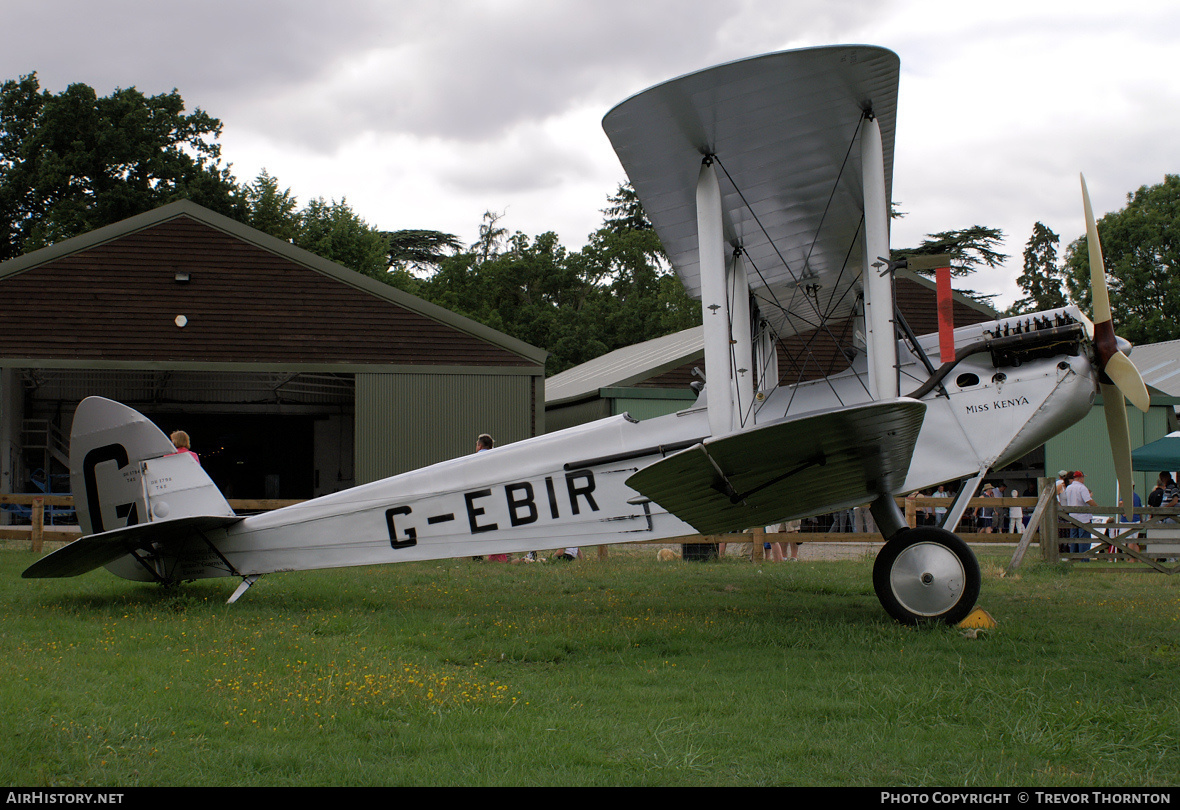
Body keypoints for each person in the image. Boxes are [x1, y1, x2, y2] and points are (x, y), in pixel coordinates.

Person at [1061, 470, 1098, 556]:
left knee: (1074, 538)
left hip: (1073, 517)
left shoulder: (1069, 488)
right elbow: (1088, 500)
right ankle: (1084, 557)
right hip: (1083, 517)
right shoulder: (1082, 488)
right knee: (1084, 539)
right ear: (1080, 478)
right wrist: (1097, 507)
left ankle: (1073, 556)